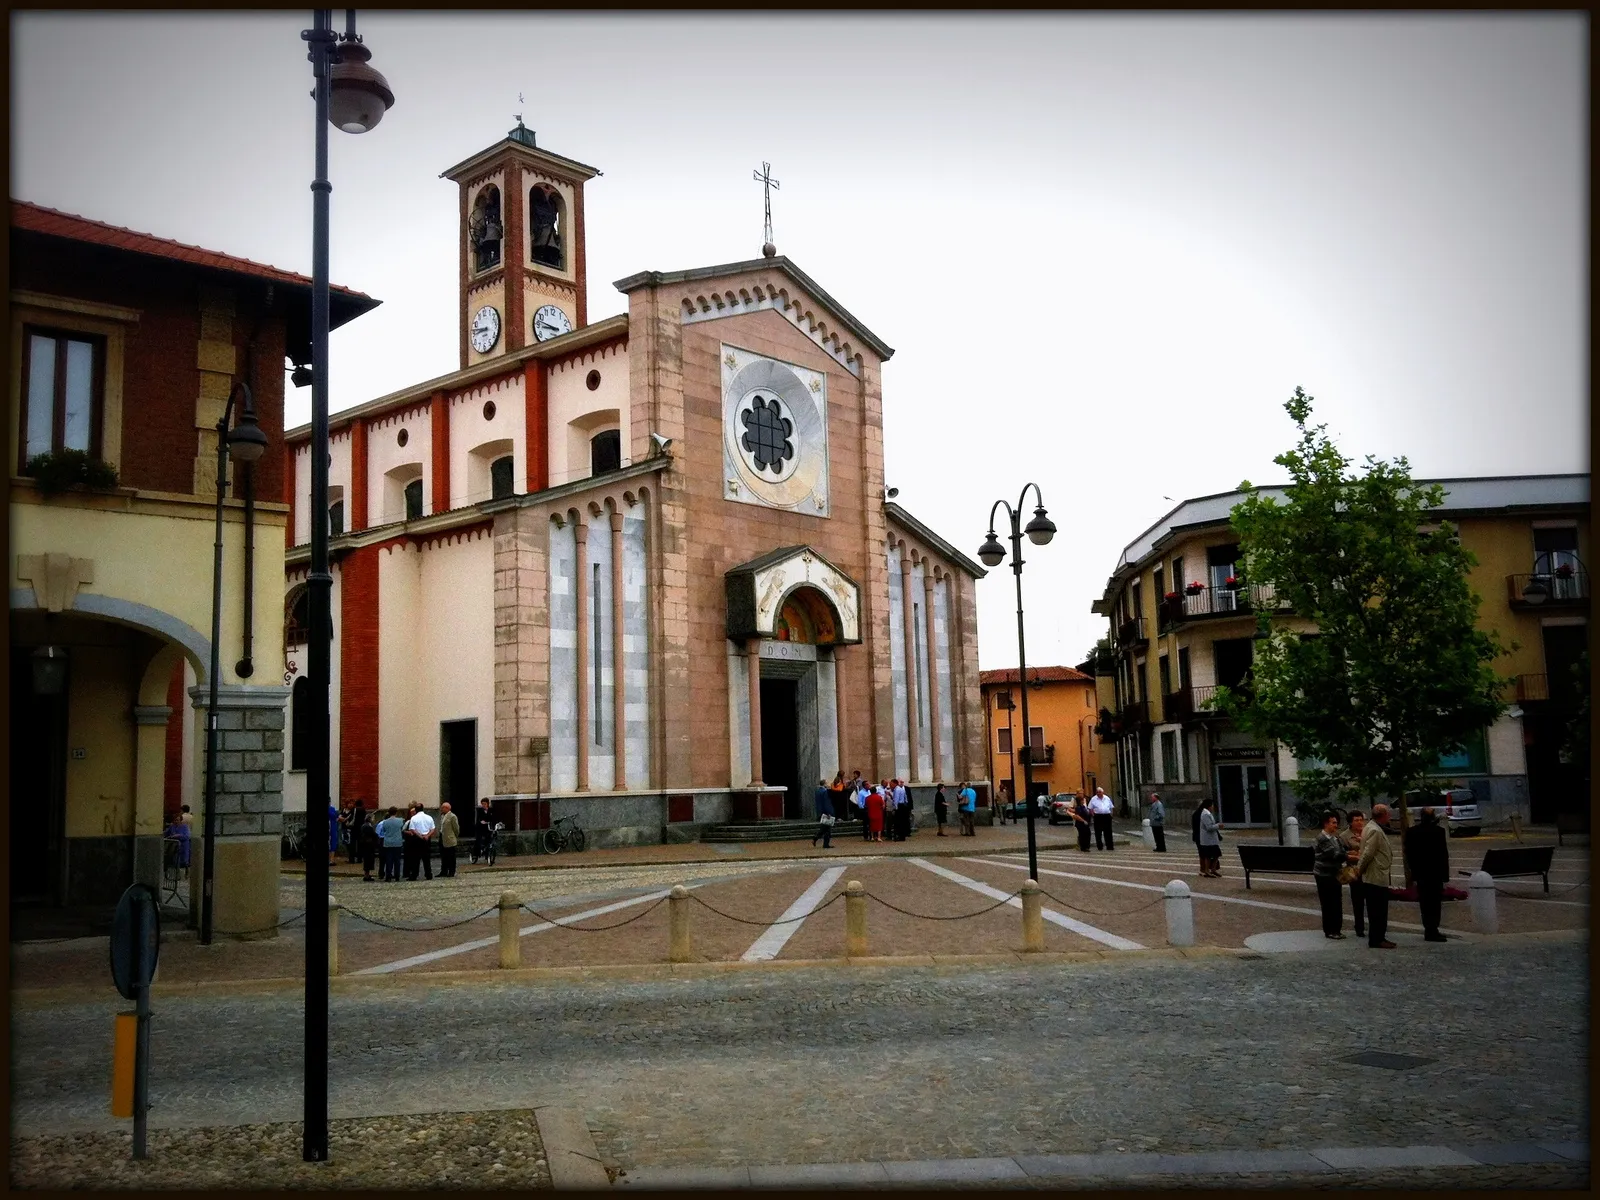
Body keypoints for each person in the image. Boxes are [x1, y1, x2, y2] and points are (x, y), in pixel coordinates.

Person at [1404, 806, 1451, 942]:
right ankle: (1433, 929)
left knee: (1424, 903)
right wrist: (1445, 875)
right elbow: (1443, 854)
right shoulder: (1439, 831)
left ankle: (1428, 928)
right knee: (1435, 903)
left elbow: (1409, 853)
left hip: (1421, 874)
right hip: (1435, 873)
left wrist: (1414, 871)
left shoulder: (1412, 832)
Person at [1356, 802, 1396, 949]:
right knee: (1378, 910)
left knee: (1378, 909)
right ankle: (1377, 938)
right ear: (1384, 815)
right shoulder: (1375, 830)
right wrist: (1359, 870)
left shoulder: (1371, 827)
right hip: (1376, 875)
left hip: (1376, 874)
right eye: (1388, 814)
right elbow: (1367, 853)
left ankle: (1379, 937)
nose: (1389, 817)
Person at [1311, 809, 1347, 938]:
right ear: (1326, 824)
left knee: (1337, 901)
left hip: (1335, 873)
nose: (1336, 825)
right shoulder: (1322, 838)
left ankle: (1336, 929)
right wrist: (1349, 856)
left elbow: (1342, 850)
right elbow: (1335, 855)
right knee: (1327, 902)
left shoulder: (1335, 838)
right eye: (1333, 823)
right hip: (1324, 875)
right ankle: (1330, 929)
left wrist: (1345, 854)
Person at [1341, 811, 1368, 939]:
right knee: (1357, 901)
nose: (1359, 822)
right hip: (1354, 872)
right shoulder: (1344, 836)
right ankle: (1359, 927)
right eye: (1356, 820)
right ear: (1350, 822)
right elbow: (1345, 854)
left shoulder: (1367, 832)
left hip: (1368, 871)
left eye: (1361, 820)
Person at [375, 806, 405, 882]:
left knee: (389, 860)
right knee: (397, 860)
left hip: (387, 842)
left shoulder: (385, 822)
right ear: (396, 812)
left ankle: (388, 876)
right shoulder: (400, 821)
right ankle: (397, 875)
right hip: (397, 842)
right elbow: (402, 829)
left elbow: (384, 830)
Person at [407, 803, 437, 881]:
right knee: (426, 858)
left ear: (416, 810)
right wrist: (427, 836)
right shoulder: (429, 817)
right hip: (427, 839)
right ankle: (428, 874)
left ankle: (414, 875)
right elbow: (433, 829)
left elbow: (412, 829)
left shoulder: (414, 818)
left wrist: (420, 836)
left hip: (417, 839)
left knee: (416, 858)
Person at [1197, 797, 1223, 877]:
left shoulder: (1208, 813)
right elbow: (1209, 827)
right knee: (1208, 856)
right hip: (1208, 840)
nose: (1213, 807)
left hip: (1211, 839)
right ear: (1209, 806)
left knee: (1216, 854)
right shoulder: (1205, 814)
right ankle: (1207, 870)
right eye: (1212, 805)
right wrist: (1218, 825)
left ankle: (1213, 869)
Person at [1089, 786, 1115, 851]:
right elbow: (1090, 808)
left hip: (1107, 816)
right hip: (1098, 816)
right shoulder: (1093, 799)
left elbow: (1111, 807)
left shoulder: (1107, 798)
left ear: (1103, 792)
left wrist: (1111, 815)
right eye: (1097, 792)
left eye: (1100, 792)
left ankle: (1110, 846)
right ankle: (1099, 846)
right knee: (1098, 832)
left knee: (1108, 832)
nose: (1099, 793)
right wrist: (1093, 815)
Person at [438, 801, 460, 878]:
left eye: (442, 807)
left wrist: (454, 836)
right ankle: (443, 871)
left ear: (447, 808)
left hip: (450, 839)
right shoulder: (442, 816)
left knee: (451, 857)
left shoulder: (452, 816)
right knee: (443, 856)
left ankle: (451, 871)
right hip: (442, 838)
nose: (441, 809)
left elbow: (456, 828)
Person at [813, 779, 835, 849]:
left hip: (820, 811)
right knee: (827, 829)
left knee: (824, 828)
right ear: (824, 784)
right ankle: (825, 844)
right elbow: (826, 803)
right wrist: (828, 812)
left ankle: (816, 838)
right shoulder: (825, 792)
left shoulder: (817, 791)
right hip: (826, 812)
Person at [357, 810, 378, 882]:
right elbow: (372, 835)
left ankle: (367, 874)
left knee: (368, 861)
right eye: (373, 818)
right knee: (368, 861)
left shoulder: (365, 825)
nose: (374, 819)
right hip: (368, 846)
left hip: (367, 845)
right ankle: (366, 875)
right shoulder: (367, 826)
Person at [474, 798, 495, 862]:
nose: (483, 805)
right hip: (480, 828)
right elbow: (478, 819)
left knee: (489, 841)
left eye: (485, 804)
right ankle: (476, 854)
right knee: (478, 840)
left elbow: (494, 818)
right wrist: (481, 822)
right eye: (482, 804)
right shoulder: (480, 811)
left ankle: (488, 855)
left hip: (488, 828)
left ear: (488, 804)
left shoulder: (491, 810)